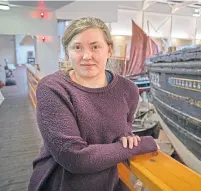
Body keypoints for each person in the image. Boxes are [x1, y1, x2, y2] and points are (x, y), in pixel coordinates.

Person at [28, 17, 159, 191]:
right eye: (77, 47)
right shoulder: (52, 88)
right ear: (68, 52)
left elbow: (123, 133)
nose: (86, 56)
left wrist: (126, 138)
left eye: (95, 47)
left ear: (109, 49)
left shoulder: (128, 89)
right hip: (59, 182)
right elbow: (73, 157)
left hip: (108, 182)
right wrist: (143, 144)